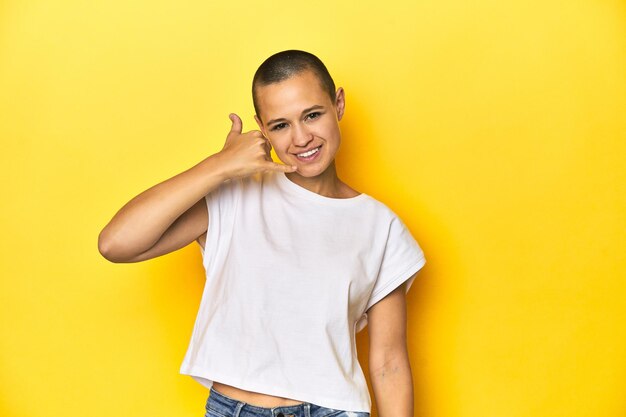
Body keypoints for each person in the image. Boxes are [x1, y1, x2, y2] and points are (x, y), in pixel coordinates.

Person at [98, 49, 426, 417]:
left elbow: (389, 361)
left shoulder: (381, 227)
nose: (301, 138)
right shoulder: (235, 196)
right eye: (280, 125)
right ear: (261, 126)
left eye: (312, 115)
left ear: (339, 104)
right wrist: (218, 166)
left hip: (336, 410)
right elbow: (116, 243)